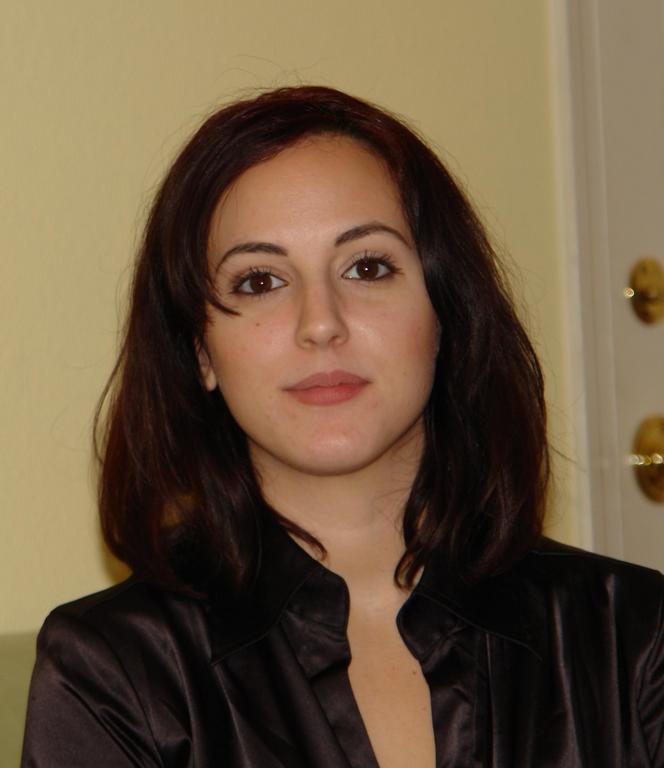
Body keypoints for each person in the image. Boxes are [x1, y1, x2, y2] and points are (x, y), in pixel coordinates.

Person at [22, 86, 663, 767]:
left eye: (367, 267)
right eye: (259, 281)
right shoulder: (111, 669)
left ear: (444, 314)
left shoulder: (630, 633)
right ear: (200, 350)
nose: (320, 323)